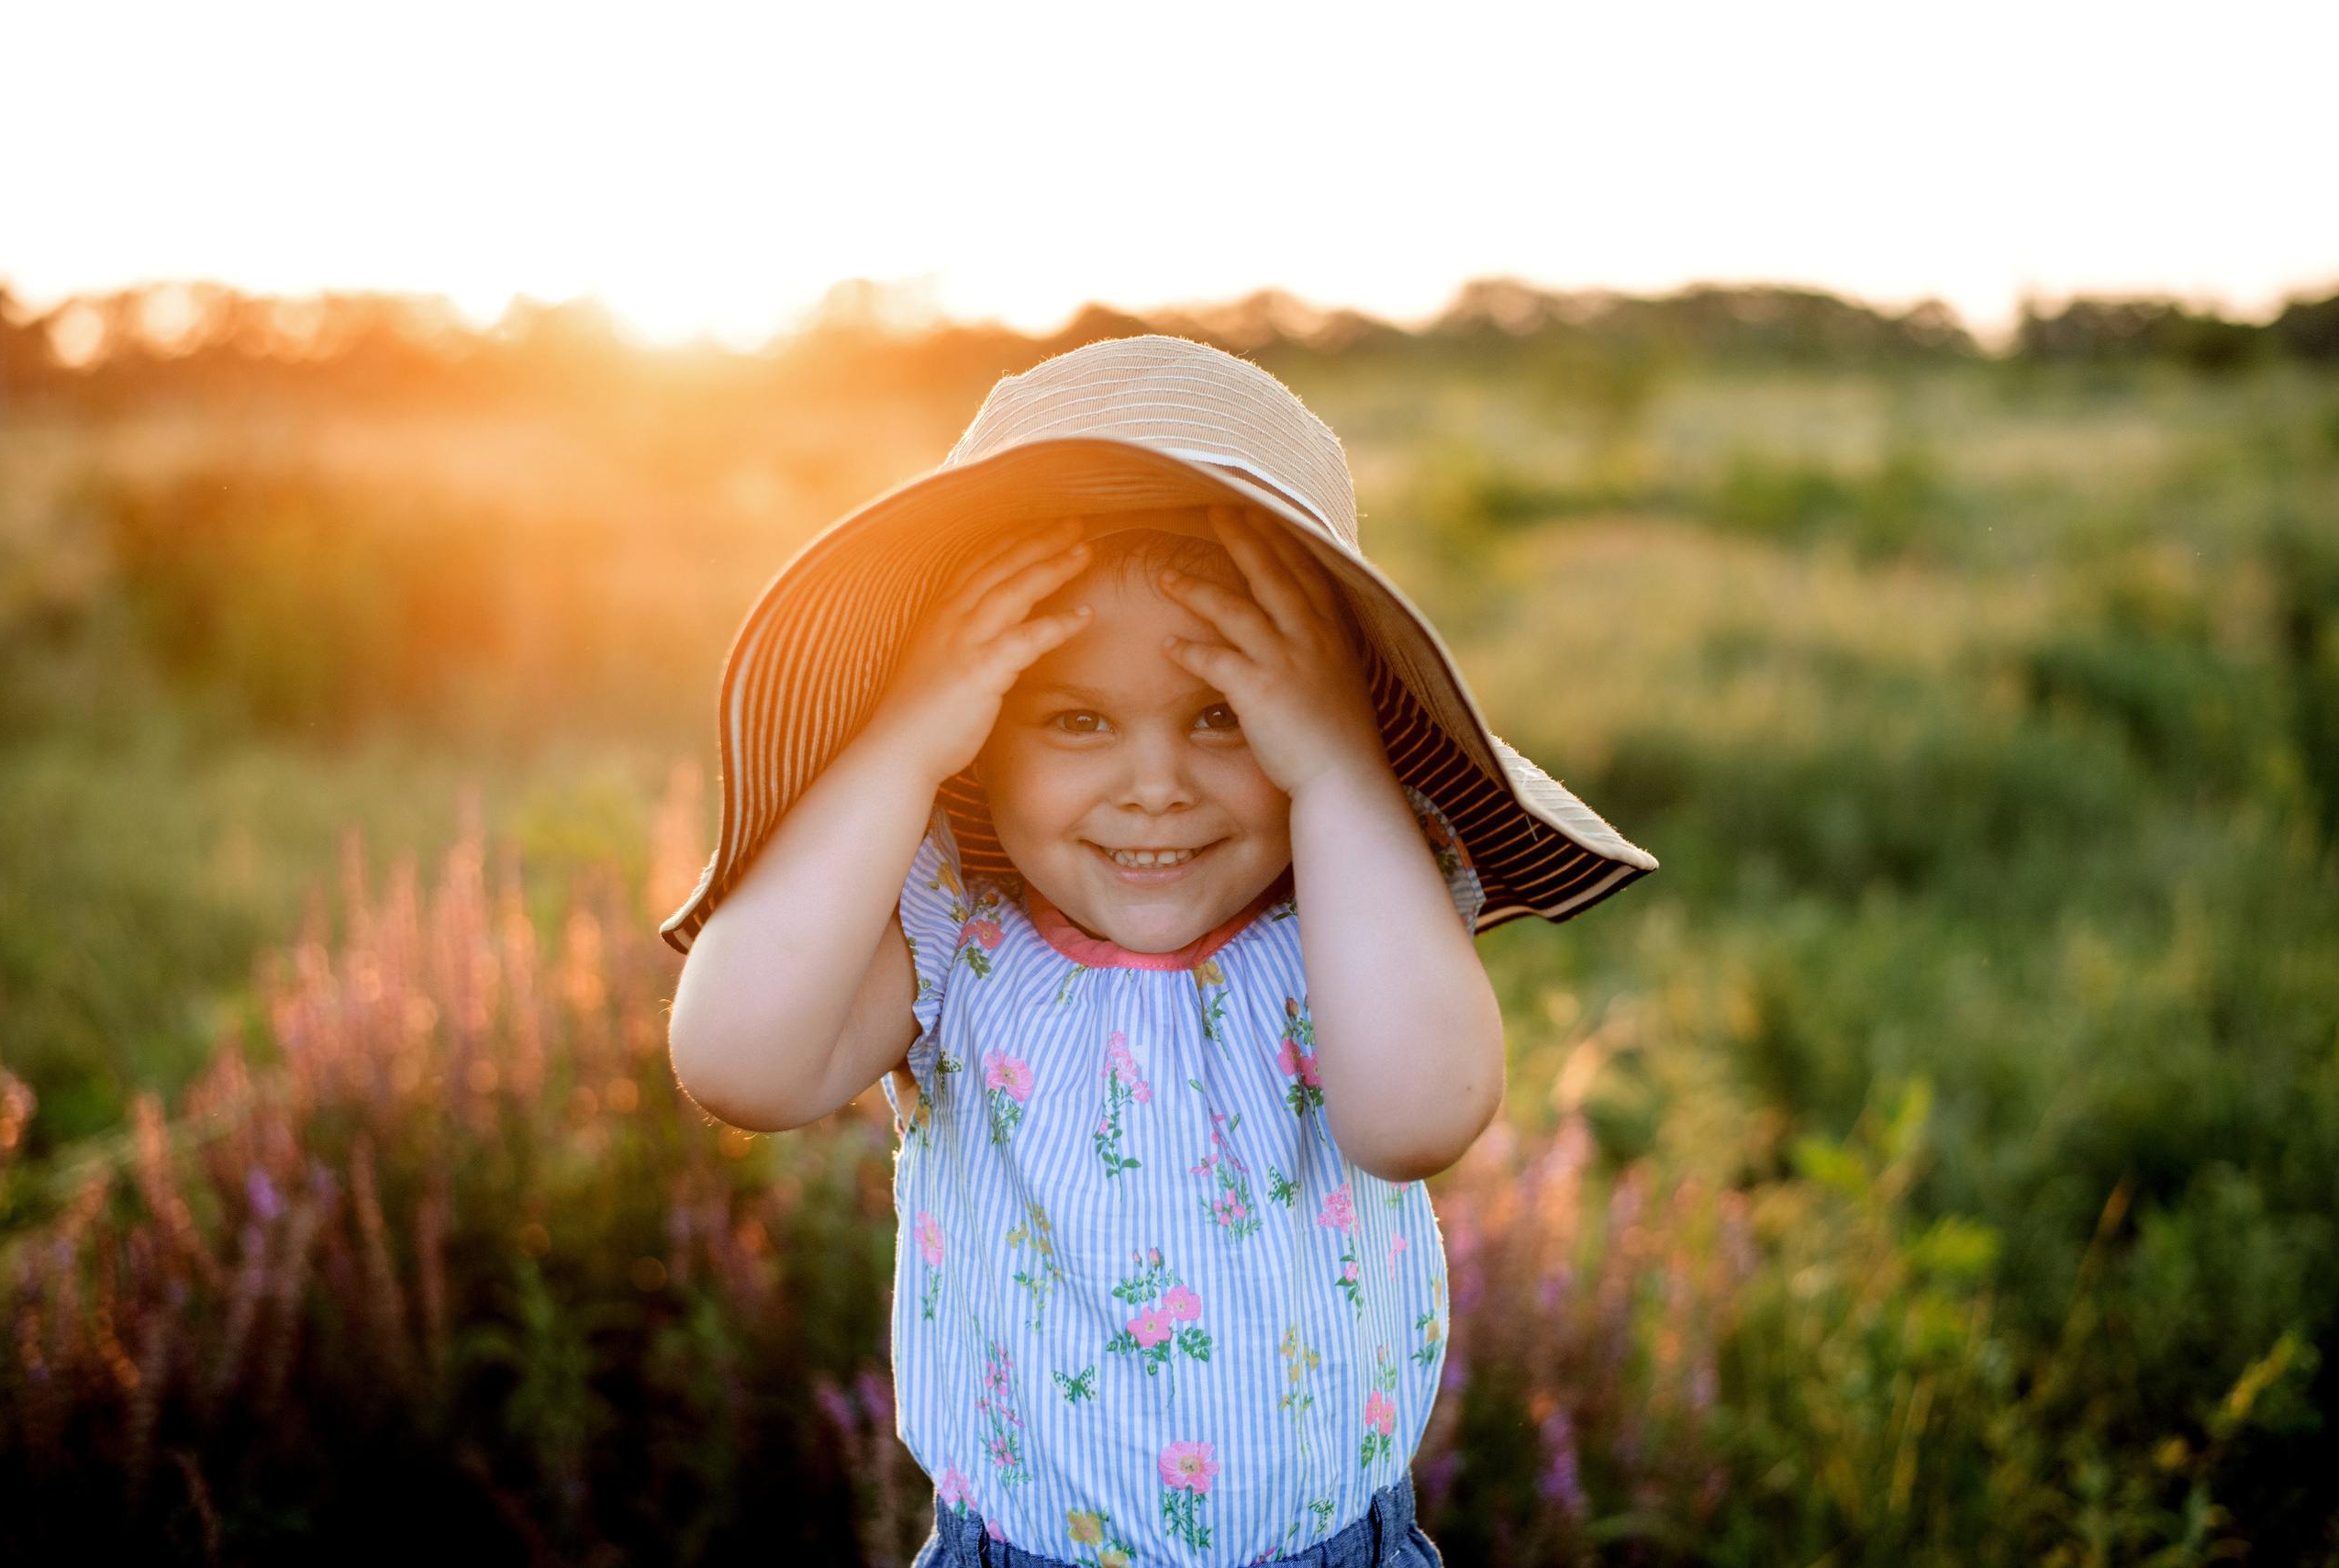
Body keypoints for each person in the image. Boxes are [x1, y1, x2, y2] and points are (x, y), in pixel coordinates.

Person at [663, 336, 1654, 1566]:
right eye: (1076, 717)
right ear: (982, 745)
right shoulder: (958, 938)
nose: (1154, 786)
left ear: (1326, 721)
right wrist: (903, 736)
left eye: (1224, 716)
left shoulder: (1348, 919)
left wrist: (1342, 768)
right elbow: (735, 1061)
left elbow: (1419, 1115)